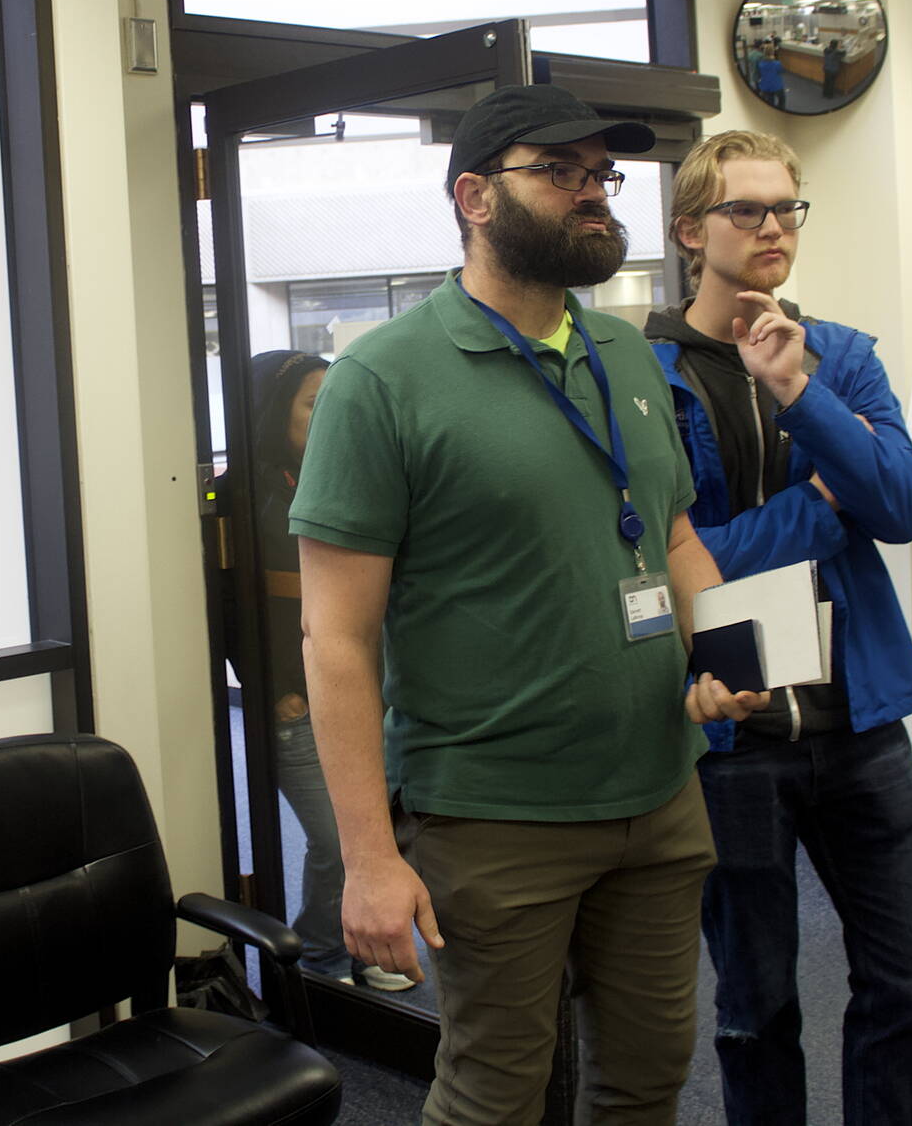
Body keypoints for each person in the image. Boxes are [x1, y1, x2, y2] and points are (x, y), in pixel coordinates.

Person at [290, 83, 765, 1125]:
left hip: (659, 793)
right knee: (495, 1094)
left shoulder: (630, 355)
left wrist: (729, 655)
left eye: (599, 175)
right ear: (472, 195)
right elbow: (335, 638)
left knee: (645, 1078)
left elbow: (673, 535)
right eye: (560, 173)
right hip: (495, 816)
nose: (593, 194)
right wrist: (368, 860)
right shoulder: (381, 380)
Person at [647, 131, 912, 1126]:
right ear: (691, 230)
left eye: (786, 207)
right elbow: (672, 554)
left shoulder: (839, 356)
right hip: (731, 737)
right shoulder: (645, 376)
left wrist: (796, 390)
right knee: (754, 1010)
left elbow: (903, 507)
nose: (772, 226)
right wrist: (821, 510)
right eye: (746, 209)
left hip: (858, 727)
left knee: (911, 982)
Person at [239, 349, 413, 993]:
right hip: (298, 704)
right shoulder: (243, 502)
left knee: (382, 829)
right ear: (272, 415)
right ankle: (318, 960)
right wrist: (279, 691)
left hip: (373, 691)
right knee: (340, 842)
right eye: (314, 404)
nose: (329, 416)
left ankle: (364, 950)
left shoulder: (352, 475)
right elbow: (235, 616)